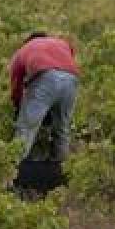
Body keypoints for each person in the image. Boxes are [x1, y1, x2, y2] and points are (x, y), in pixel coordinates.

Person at [9, 32, 81, 162]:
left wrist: (18, 105)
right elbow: (68, 60)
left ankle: (14, 167)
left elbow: (16, 84)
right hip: (72, 79)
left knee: (26, 127)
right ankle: (60, 167)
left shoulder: (23, 50)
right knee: (62, 127)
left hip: (45, 77)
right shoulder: (62, 43)